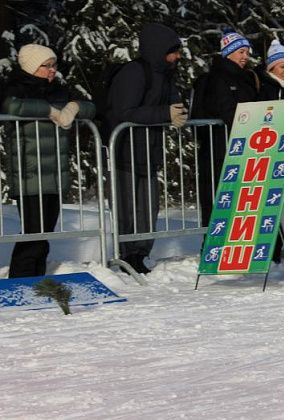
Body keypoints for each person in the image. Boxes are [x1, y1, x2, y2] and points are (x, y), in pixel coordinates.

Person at [1, 44, 94, 278]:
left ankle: (37, 279)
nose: (53, 70)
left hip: (54, 173)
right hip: (29, 173)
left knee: (45, 233)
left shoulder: (58, 90)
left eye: (54, 65)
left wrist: (73, 107)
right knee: (33, 232)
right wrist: (51, 112)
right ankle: (21, 278)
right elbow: (13, 106)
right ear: (33, 67)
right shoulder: (16, 88)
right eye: (47, 66)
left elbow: (91, 107)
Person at [106, 23, 186, 274]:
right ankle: (128, 255)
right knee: (127, 207)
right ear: (159, 49)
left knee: (147, 207)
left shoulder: (165, 74)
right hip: (125, 151)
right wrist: (164, 113)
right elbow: (124, 111)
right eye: (173, 51)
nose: (177, 57)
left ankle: (141, 253)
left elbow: (176, 103)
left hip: (149, 152)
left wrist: (180, 112)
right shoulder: (134, 72)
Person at [191, 28, 260, 228]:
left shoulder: (246, 77)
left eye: (247, 53)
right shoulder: (216, 78)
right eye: (241, 52)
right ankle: (214, 245)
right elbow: (225, 110)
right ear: (228, 52)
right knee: (217, 199)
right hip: (219, 148)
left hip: (241, 146)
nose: (245, 57)